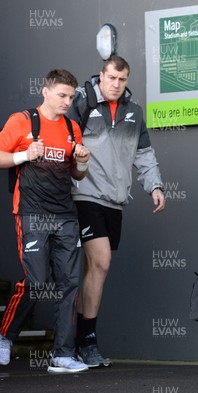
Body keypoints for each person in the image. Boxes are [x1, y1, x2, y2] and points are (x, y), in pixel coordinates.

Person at [67, 55, 165, 367]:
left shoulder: (134, 112)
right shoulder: (81, 102)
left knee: (92, 271)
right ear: (101, 75)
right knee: (101, 263)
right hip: (84, 196)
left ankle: (77, 340)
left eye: (122, 80)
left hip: (115, 200)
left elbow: (145, 155)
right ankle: (87, 340)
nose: (116, 85)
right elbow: (64, 140)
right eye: (111, 78)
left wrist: (156, 186)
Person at [0, 69, 91, 373]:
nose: (67, 101)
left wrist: (82, 161)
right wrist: (24, 154)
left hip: (65, 215)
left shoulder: (72, 127)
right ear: (45, 91)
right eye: (62, 95)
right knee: (36, 283)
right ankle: (4, 337)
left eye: (71, 96)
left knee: (70, 283)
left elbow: (77, 175)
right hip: (31, 213)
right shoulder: (22, 121)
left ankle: (63, 354)